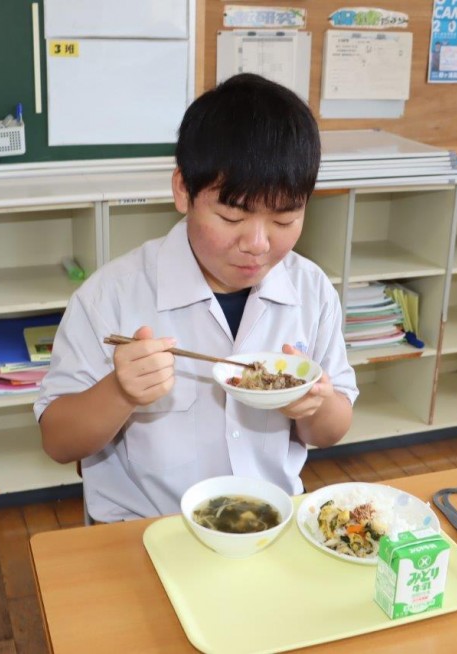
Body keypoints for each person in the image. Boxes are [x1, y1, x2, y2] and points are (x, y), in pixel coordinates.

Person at [35, 73, 359, 523]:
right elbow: (58, 442)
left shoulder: (312, 290)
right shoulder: (109, 298)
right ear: (183, 190)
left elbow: (333, 428)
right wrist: (120, 391)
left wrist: (314, 403)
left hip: (270, 522)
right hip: (145, 529)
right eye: (231, 216)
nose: (259, 244)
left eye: (285, 220)